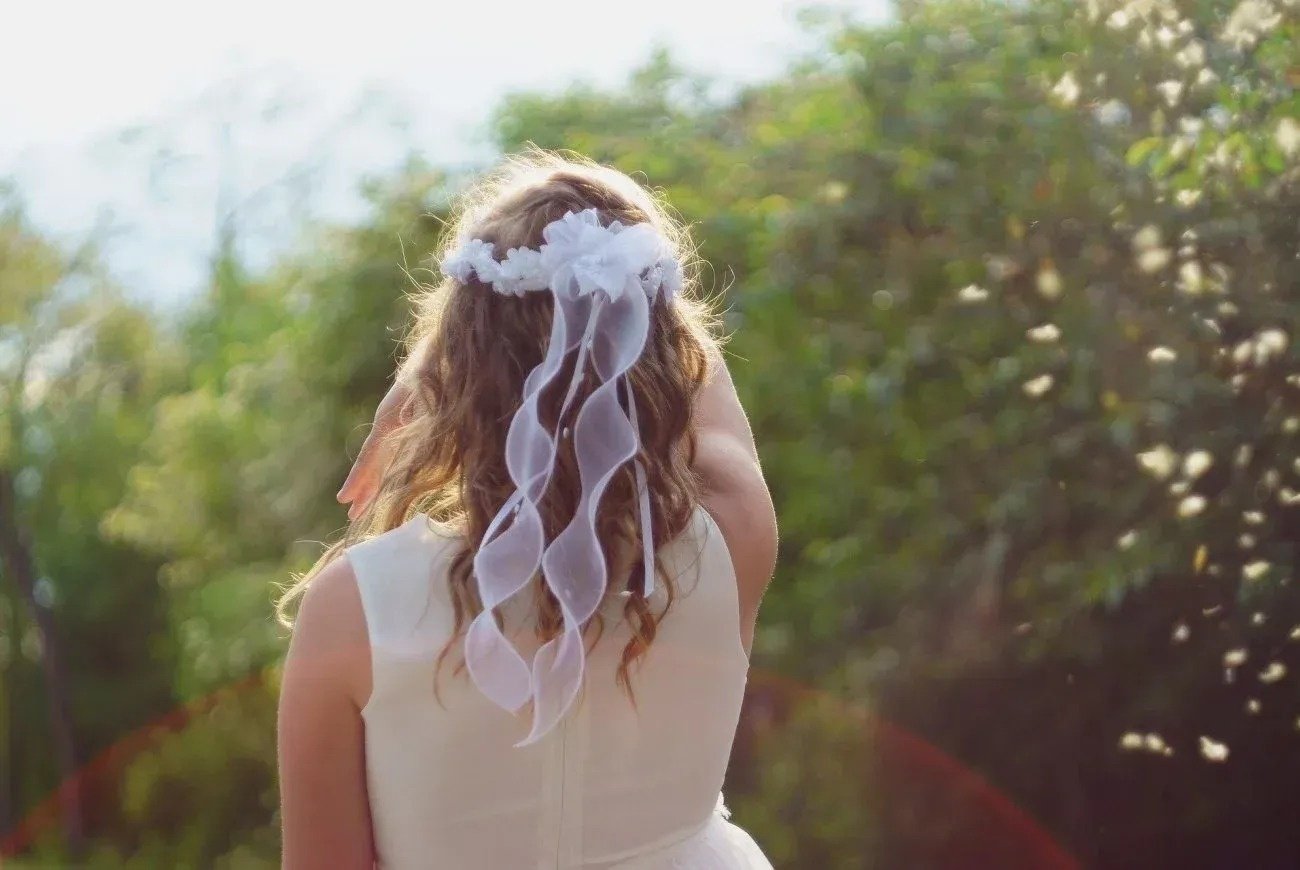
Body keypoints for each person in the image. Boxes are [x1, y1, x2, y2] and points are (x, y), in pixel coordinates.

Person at [276, 150, 778, 869]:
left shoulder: (353, 607)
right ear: (658, 342)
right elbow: (706, 387)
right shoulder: (730, 541)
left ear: (463, 366)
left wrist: (441, 354)